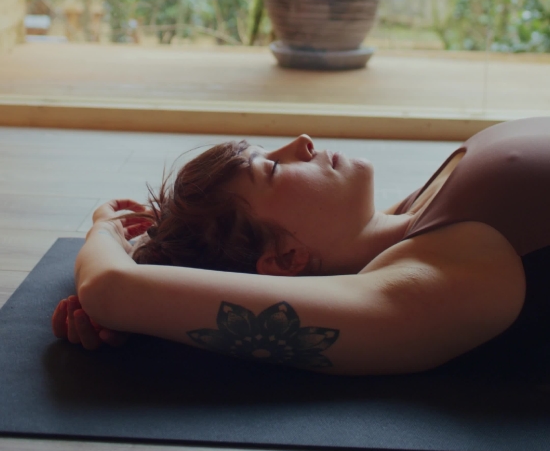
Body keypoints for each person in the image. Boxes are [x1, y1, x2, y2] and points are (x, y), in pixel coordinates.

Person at [52, 117, 550, 375]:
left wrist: (139, 243)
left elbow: (137, 273)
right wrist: (104, 233)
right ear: (286, 258)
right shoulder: (433, 282)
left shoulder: (410, 218)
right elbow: (112, 289)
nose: (303, 142)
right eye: (272, 168)